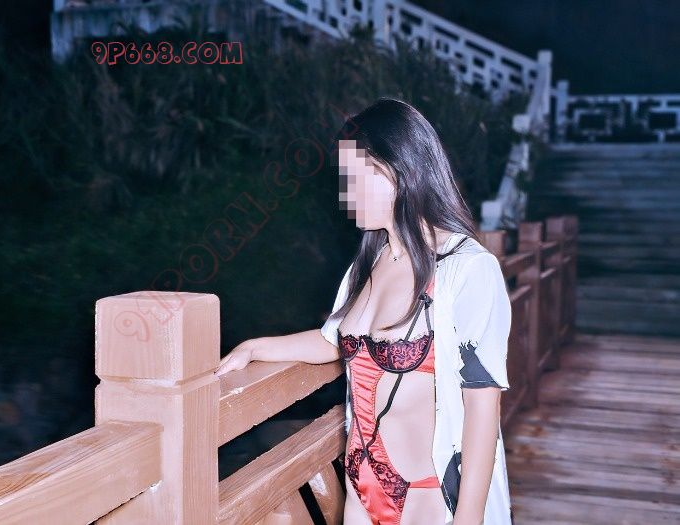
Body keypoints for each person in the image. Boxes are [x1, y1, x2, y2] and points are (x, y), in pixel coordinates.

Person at [214, 97, 513, 525]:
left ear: (400, 172)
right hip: (360, 488)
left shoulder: (466, 269)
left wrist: (469, 518)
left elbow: (482, 405)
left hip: (426, 495)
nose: (346, 195)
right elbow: (333, 340)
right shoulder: (368, 263)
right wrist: (255, 347)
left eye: (354, 179)